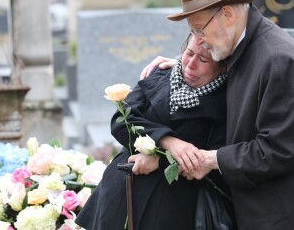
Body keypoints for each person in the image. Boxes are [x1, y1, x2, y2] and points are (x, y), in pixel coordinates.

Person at [141, 0, 294, 230]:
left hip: (273, 217)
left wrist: (211, 160)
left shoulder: (277, 59)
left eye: (199, 29)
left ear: (227, 14)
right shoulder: (241, 43)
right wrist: (179, 65)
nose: (198, 41)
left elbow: (278, 150)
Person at [75, 33, 235, 230]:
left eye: (203, 59)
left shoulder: (226, 103)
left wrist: (160, 160)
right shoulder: (161, 74)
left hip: (171, 209)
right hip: (121, 194)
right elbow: (122, 121)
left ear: (222, 67)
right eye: (189, 53)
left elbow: (208, 161)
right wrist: (167, 141)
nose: (191, 64)